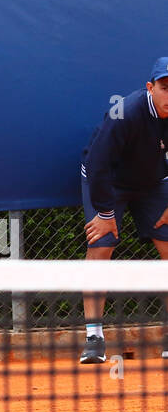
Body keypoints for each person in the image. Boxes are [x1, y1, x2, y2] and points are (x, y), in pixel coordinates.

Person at [78, 57, 168, 364]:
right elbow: (97, 165)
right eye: (166, 88)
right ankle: (93, 336)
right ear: (150, 88)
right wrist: (104, 213)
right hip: (109, 181)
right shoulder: (125, 113)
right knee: (100, 248)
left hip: (153, 182)